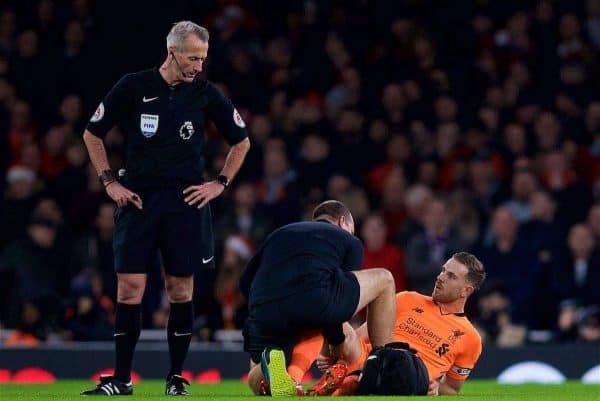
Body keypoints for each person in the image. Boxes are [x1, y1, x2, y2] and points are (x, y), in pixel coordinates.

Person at [80, 21, 250, 396]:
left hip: (184, 203)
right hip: (137, 200)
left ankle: (175, 377)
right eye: (193, 57)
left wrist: (219, 184)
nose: (198, 66)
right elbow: (92, 133)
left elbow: (242, 141)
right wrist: (109, 181)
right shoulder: (133, 85)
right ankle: (122, 379)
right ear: (172, 52)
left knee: (179, 289)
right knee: (129, 289)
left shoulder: (205, 93)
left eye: (203, 58)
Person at [240, 200, 396, 396]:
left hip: (265, 308)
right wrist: (335, 339)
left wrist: (260, 310)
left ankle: (274, 366)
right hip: (315, 300)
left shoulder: (280, 233)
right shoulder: (348, 240)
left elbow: (245, 281)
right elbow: (340, 285)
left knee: (258, 369)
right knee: (385, 279)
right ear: (342, 222)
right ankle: (382, 368)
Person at [310, 252, 485, 396]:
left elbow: (453, 388)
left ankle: (352, 380)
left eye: (451, 276)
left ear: (466, 290)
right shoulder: (407, 298)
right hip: (371, 358)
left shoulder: (470, 337)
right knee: (339, 321)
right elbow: (360, 337)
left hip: (408, 375)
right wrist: (332, 348)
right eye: (443, 271)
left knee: (401, 361)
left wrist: (438, 388)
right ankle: (354, 377)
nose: (440, 277)